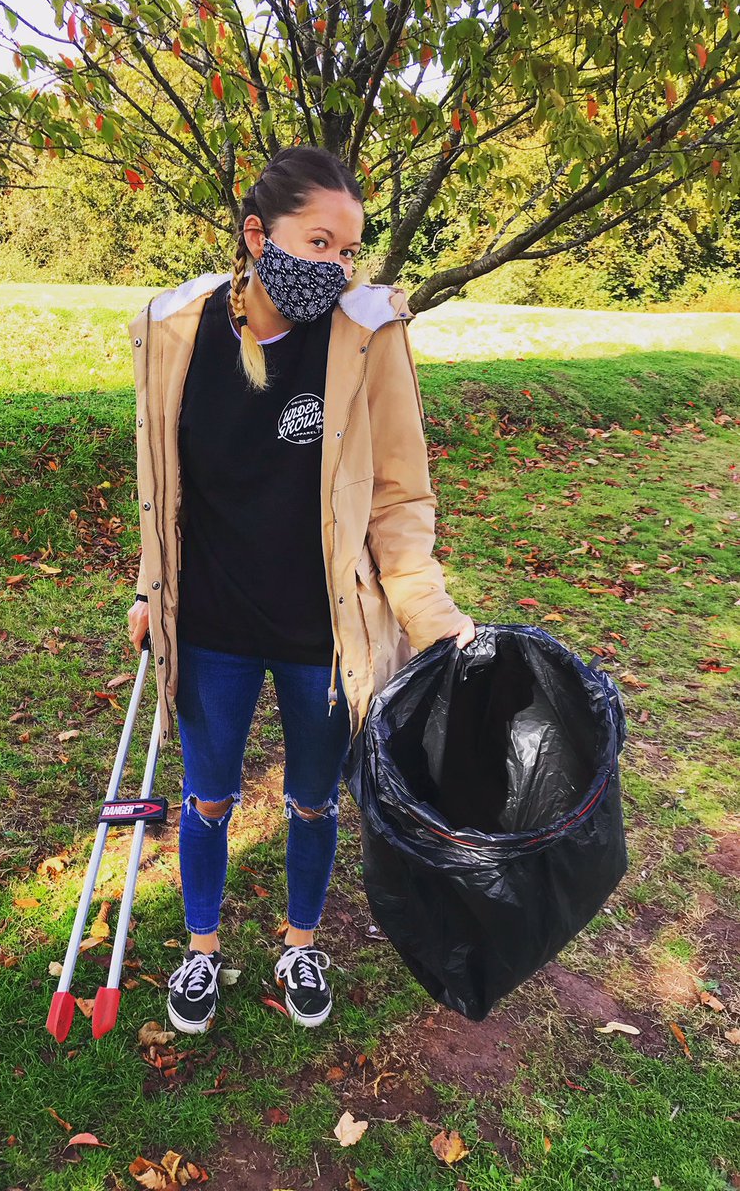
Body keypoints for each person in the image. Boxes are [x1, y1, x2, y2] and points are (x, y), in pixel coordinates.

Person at [126, 145, 475, 1035]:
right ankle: (201, 950)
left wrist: (430, 616)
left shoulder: (366, 336)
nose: (335, 266)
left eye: (348, 250)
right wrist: (145, 589)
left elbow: (400, 493)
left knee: (313, 797)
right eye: (317, 243)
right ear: (257, 235)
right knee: (207, 796)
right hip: (209, 621)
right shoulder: (177, 331)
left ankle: (300, 941)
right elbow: (162, 487)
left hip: (325, 631)